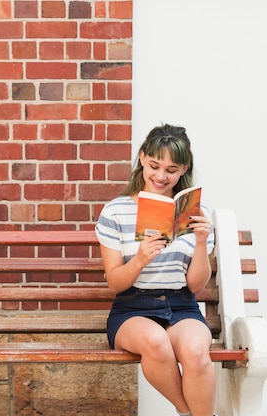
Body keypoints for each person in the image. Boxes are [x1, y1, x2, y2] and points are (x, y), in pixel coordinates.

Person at [95, 124, 216, 416]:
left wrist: (201, 243)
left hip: (181, 305)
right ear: (141, 158)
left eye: (172, 170)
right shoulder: (115, 211)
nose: (161, 176)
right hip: (132, 309)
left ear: (184, 169)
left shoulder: (196, 213)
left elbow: (196, 285)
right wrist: (139, 260)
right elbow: (115, 283)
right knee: (155, 341)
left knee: (197, 353)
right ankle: (189, 412)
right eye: (154, 166)